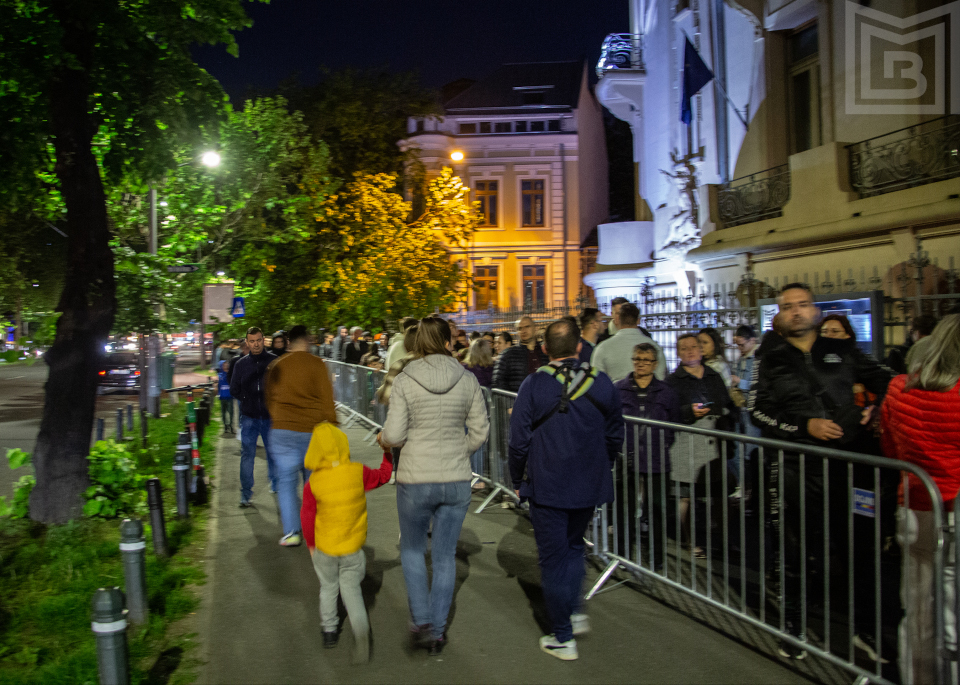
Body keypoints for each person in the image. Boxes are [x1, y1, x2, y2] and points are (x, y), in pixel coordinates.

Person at [749, 282, 893, 661]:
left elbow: (891, 380)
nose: (796, 311)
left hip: (850, 465)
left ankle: (866, 630)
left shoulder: (844, 350)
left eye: (803, 304)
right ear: (779, 315)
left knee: (859, 549)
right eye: (788, 306)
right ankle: (793, 627)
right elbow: (758, 411)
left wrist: (877, 408)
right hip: (799, 465)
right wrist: (802, 427)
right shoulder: (770, 359)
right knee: (795, 549)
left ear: (815, 310)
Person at [508, 318, 624, 661]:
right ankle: (573, 611)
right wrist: (604, 464)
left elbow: (518, 442)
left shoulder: (534, 384)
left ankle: (563, 636)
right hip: (588, 481)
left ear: (545, 349)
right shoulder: (601, 382)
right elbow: (615, 434)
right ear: (578, 346)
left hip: (548, 483)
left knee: (553, 559)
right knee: (574, 548)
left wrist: (518, 480)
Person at [378, 317, 489, 656]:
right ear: (447, 340)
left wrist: (384, 439)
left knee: (412, 550)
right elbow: (480, 431)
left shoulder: (406, 379)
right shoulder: (467, 378)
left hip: (416, 477)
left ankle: (422, 618)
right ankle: (438, 631)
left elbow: (395, 435)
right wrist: (460, 450)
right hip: (455, 479)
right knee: (444, 557)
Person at [880, 314, 960, 685]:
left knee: (917, 610)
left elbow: (891, 447)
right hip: (953, 508)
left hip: (914, 504)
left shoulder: (899, 389)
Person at [301, 423, 394, 663]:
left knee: (328, 588)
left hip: (325, 548)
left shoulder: (314, 483)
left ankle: (329, 631)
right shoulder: (357, 472)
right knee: (351, 590)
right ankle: (360, 629)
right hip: (352, 547)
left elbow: (308, 517)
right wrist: (387, 455)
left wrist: (311, 545)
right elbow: (383, 477)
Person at [264, 324, 338, 546]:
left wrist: (278, 417)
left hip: (282, 430)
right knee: (312, 482)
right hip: (312, 431)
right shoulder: (317, 365)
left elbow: (269, 398)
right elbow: (327, 400)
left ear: (288, 342)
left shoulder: (277, 365)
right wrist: (333, 425)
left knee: (286, 483)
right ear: (306, 341)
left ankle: (292, 532)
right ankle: (314, 528)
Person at [665, 333, 735, 559]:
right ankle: (690, 540)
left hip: (713, 443)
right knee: (686, 497)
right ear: (678, 353)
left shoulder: (713, 375)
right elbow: (668, 412)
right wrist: (688, 412)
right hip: (686, 443)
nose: (690, 351)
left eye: (694, 347)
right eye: (684, 348)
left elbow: (726, 403)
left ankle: (724, 540)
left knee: (718, 495)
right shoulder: (673, 381)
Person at [614, 343, 680, 571]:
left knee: (657, 511)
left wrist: (661, 444)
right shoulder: (619, 389)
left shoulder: (666, 392)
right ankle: (623, 555)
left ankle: (657, 558)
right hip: (628, 459)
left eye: (646, 360)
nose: (640, 363)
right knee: (625, 509)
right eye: (637, 359)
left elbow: (673, 425)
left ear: (655, 364)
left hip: (657, 458)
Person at [229, 327, 278, 507]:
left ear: (263, 340)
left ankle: (276, 483)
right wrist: (246, 398)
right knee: (247, 455)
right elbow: (234, 388)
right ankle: (246, 493)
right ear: (247, 342)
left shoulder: (274, 361)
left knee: (273, 453)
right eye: (252, 341)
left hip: (270, 416)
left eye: (258, 340)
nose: (256, 344)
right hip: (249, 417)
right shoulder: (241, 364)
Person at [592, 303, 666, 383]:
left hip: (615, 394)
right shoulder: (655, 347)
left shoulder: (602, 348)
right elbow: (660, 377)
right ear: (638, 320)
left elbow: (596, 381)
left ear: (618, 320)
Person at [492, 316, 547, 392]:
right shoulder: (507, 355)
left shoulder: (545, 353)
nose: (523, 331)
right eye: (520, 328)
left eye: (527, 327)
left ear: (535, 328)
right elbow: (498, 384)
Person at [218, 358, 235, 435]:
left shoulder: (231, 375)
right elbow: (218, 385)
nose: (226, 366)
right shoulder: (220, 375)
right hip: (222, 397)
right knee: (223, 413)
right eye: (224, 365)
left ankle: (231, 425)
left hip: (229, 397)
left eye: (227, 365)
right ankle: (225, 426)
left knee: (231, 412)